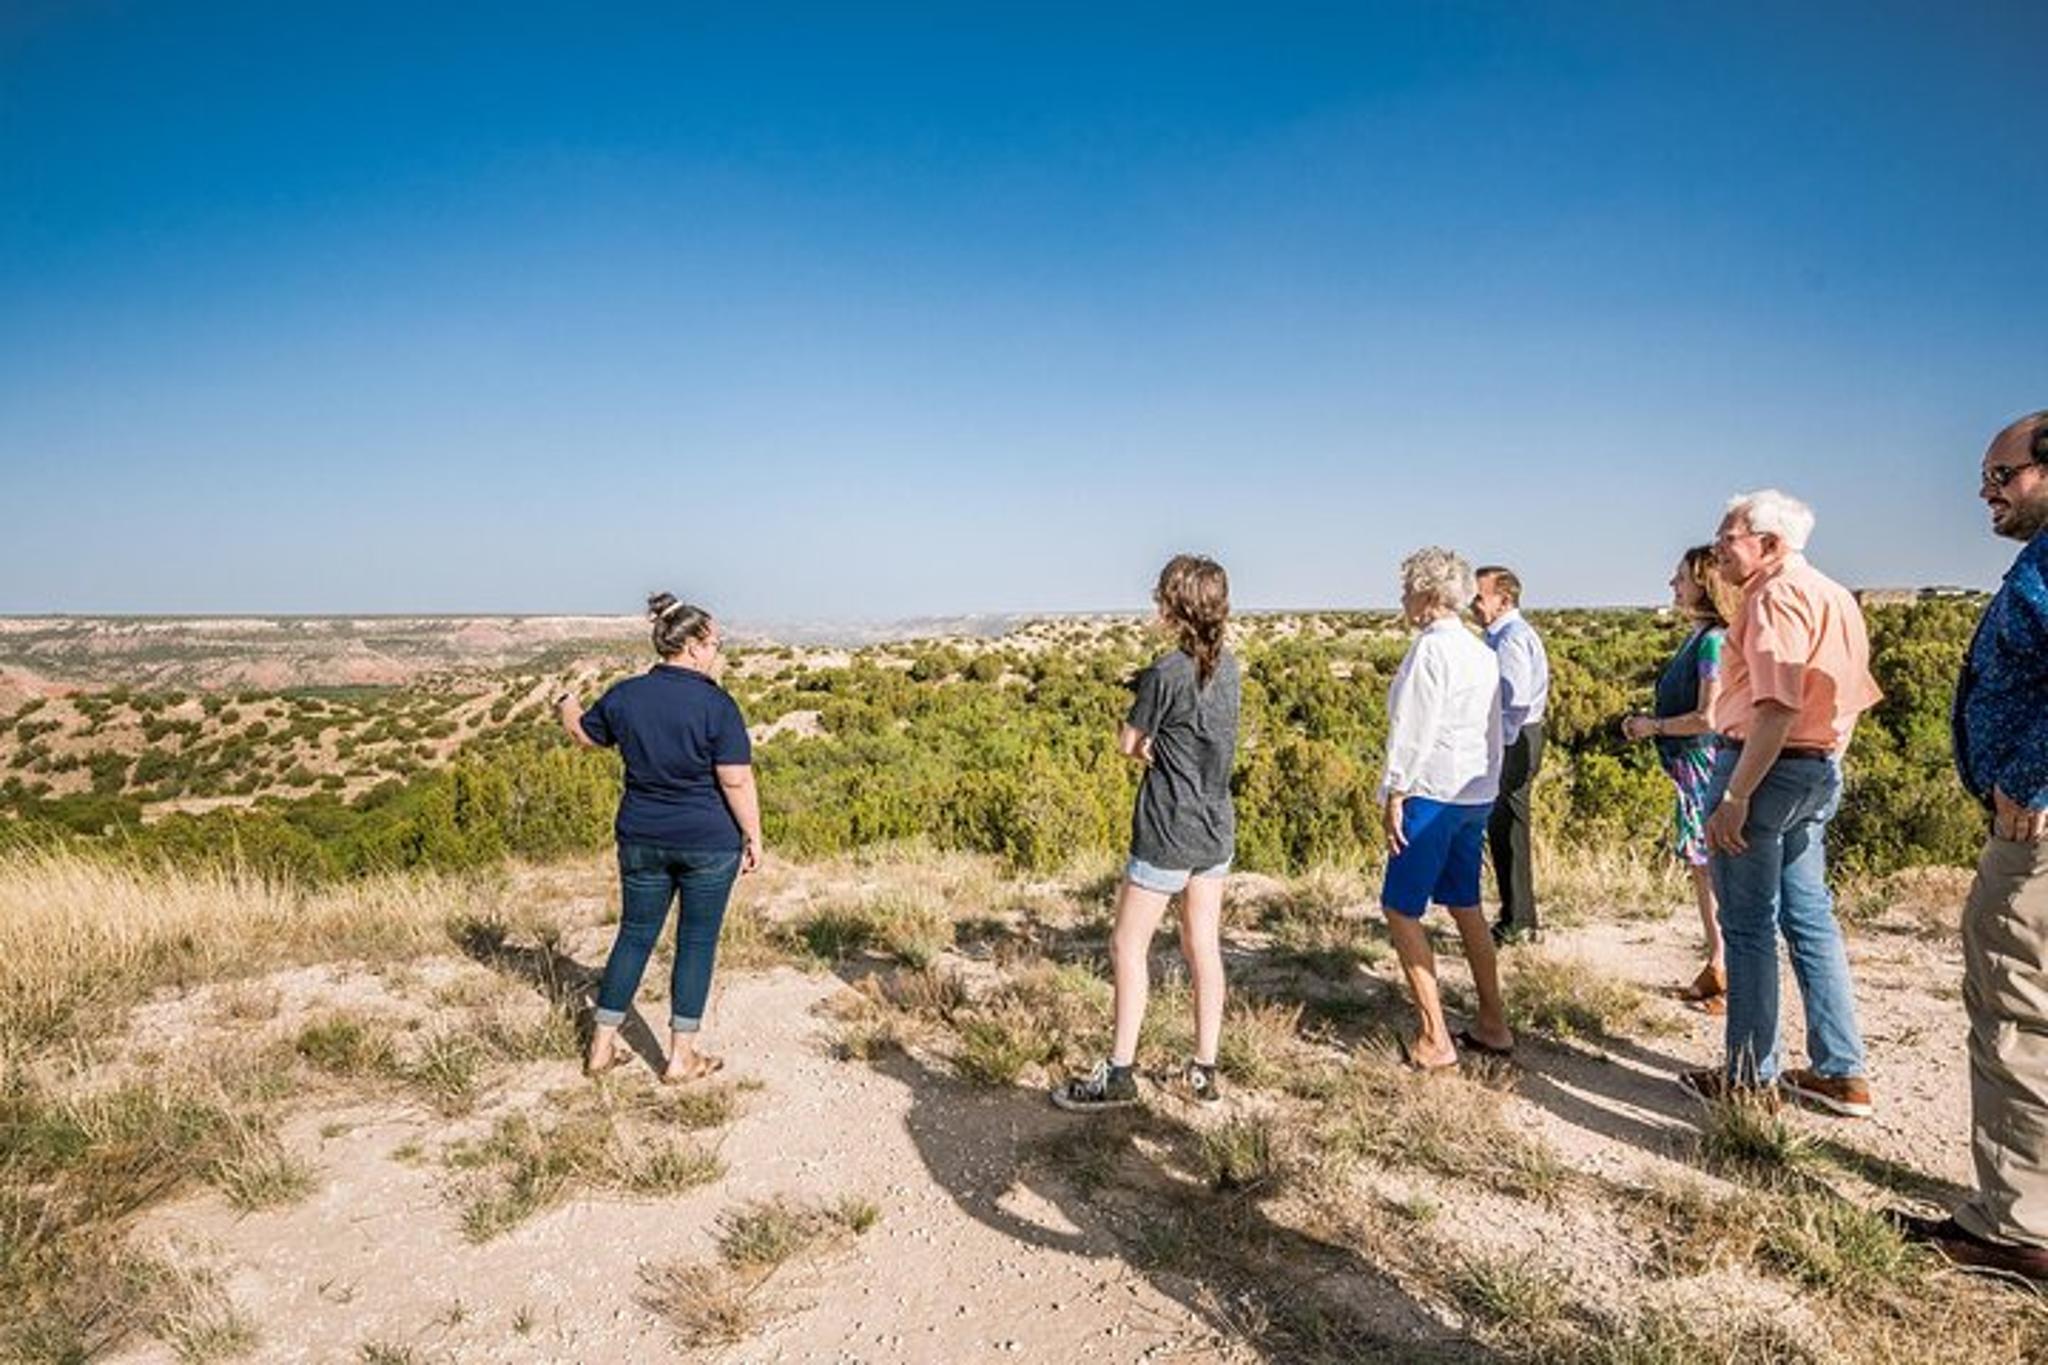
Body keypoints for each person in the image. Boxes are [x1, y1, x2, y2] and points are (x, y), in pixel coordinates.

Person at [1892, 412, 2048, 1280]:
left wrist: (2029, 779)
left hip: (2034, 832)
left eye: (2001, 475)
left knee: (2015, 1010)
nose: (1986, 492)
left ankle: (2015, 1225)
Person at [1680, 491, 1880, 1116]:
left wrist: (1737, 795)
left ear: (1769, 544)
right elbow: (1846, 697)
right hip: (1816, 767)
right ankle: (1841, 1071)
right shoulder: (1834, 594)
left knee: (1746, 927)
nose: (1718, 546)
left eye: (1728, 535)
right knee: (1810, 917)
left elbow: (1777, 705)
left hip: (1764, 769)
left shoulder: (1773, 598)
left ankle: (1747, 1077)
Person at [1053, 555, 1240, 1112]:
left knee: (1127, 945)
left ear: (1173, 606)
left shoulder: (1165, 673)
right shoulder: (1228, 667)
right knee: (1201, 944)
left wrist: (1143, 737)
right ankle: (1204, 1069)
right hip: (1215, 824)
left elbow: (1130, 744)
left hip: (1167, 827)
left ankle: (1119, 1072)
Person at [557, 593, 763, 1084]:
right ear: (691, 645)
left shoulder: (625, 695)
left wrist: (566, 704)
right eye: (714, 641)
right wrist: (754, 835)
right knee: (695, 942)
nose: (717, 649)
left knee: (633, 935)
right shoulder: (716, 704)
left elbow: (585, 736)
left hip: (641, 836)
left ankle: (601, 1049)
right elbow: (735, 779)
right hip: (708, 842)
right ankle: (680, 1058)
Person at [1379, 547, 1514, 1070]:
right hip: (1475, 792)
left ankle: (1434, 1037)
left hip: (1432, 791)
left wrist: (1396, 791)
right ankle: (1492, 1021)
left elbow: (1414, 729)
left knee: (1400, 907)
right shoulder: (1482, 650)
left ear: (1430, 596)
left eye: (1408, 588)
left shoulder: (1430, 651)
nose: (1402, 598)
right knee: (1465, 903)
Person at [1622, 546, 1741, 1014]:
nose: (1673, 586)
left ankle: (1726, 973)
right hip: (1690, 768)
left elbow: (1708, 716)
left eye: (1681, 579)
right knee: (1702, 869)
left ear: (1704, 586)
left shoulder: (1713, 641)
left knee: (1711, 870)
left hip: (1704, 767)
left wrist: (1654, 726)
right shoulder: (1700, 638)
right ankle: (1716, 963)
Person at [1472, 566, 1550, 945]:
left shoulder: (1510, 638)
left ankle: (1518, 922)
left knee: (1509, 829)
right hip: (1517, 737)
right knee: (1505, 828)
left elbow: (1515, 699)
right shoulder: (1505, 635)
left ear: (1504, 600)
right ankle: (1518, 917)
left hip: (1515, 740)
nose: (1473, 604)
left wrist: (1498, 740)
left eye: (1479, 596)